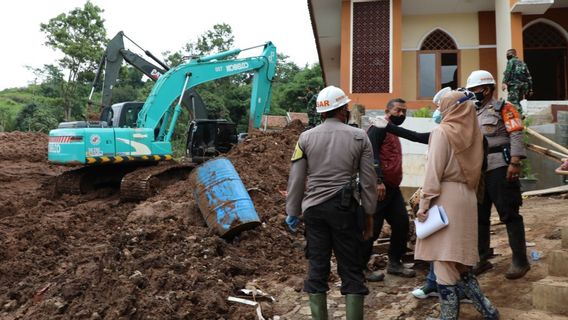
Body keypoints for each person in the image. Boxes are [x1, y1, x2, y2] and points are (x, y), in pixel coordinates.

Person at [285, 85, 377, 320]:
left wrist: (293, 211)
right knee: (351, 269)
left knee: (317, 267)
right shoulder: (359, 136)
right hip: (344, 210)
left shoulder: (305, 137)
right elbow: (368, 182)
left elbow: (296, 179)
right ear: (343, 109)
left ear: (322, 112)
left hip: (314, 211)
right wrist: (369, 215)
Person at [415, 90, 499, 319]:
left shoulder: (442, 132)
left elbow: (434, 171)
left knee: (443, 259)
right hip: (467, 197)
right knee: (459, 261)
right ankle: (488, 310)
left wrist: (423, 204)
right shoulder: (475, 136)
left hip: (445, 196)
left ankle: (448, 316)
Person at [468, 70, 531, 280]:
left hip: (500, 167)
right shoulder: (472, 112)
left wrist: (515, 162)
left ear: (486, 89)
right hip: (479, 170)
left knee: (509, 213)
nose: (473, 93)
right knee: (479, 215)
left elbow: (516, 133)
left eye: (475, 89)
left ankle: (520, 261)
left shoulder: (505, 108)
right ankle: (482, 257)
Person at [363, 98, 416, 281]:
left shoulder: (391, 130)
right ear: (388, 110)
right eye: (398, 110)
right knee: (373, 229)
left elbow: (415, 136)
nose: (401, 114)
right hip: (379, 189)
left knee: (401, 223)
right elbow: (371, 154)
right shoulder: (378, 127)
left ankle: (395, 263)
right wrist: (378, 180)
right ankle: (360, 268)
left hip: (392, 189)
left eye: (404, 111)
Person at [502, 48, 533, 113]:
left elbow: (508, 72)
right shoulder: (522, 63)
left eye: (508, 54)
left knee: (512, 101)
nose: (507, 55)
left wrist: (504, 82)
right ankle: (519, 116)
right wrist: (530, 89)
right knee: (518, 102)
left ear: (512, 54)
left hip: (514, 86)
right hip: (523, 86)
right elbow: (529, 77)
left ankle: (521, 114)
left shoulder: (511, 61)